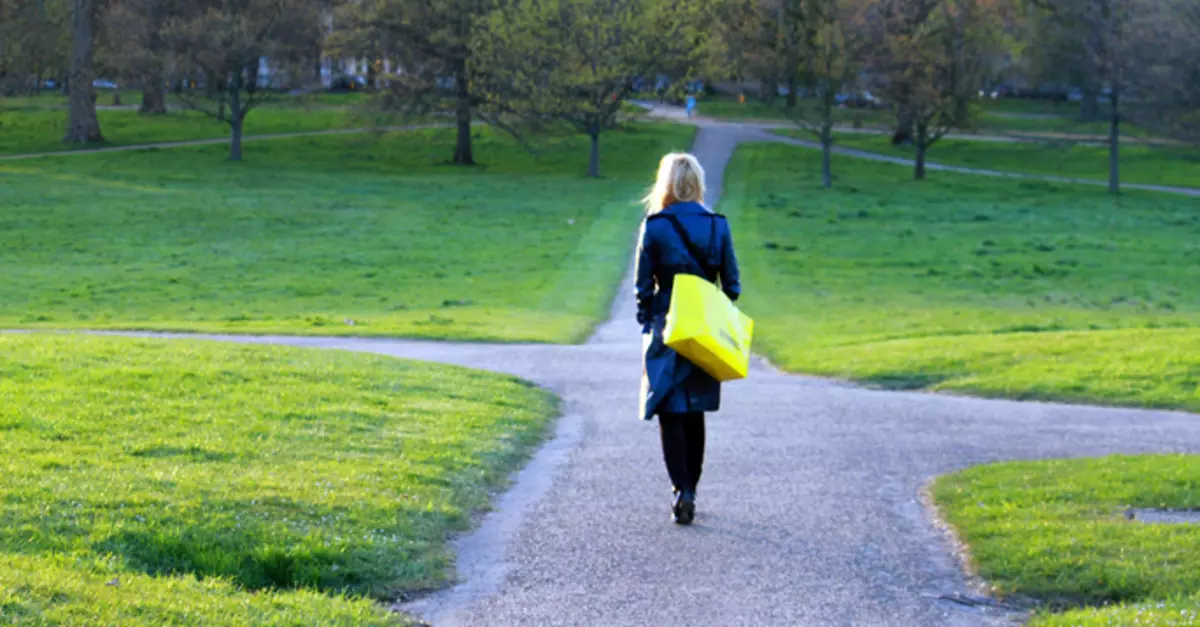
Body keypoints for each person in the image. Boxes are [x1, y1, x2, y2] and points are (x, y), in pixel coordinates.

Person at [634, 153, 741, 526]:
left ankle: (680, 488)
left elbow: (642, 288)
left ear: (665, 183)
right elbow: (733, 286)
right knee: (695, 409)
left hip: (666, 325)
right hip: (704, 327)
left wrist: (648, 323)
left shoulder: (655, 226)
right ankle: (691, 490)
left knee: (668, 408)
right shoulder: (717, 226)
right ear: (697, 183)